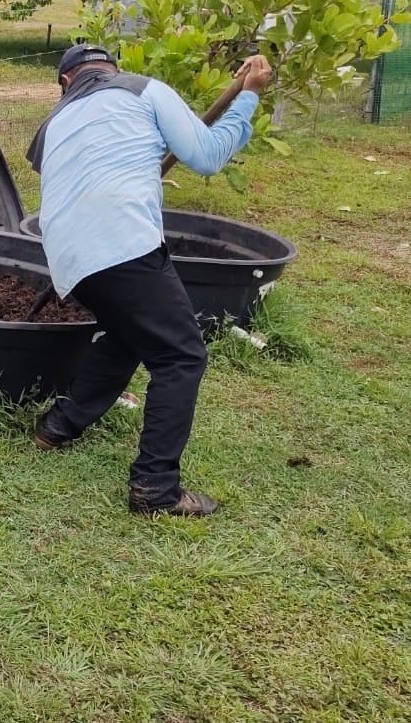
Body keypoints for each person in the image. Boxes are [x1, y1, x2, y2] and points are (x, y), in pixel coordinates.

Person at [25, 44, 271, 517]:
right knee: (181, 356)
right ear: (113, 71)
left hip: (65, 257)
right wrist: (249, 96)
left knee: (127, 333)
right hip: (123, 244)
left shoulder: (51, 125)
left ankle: (57, 426)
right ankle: (155, 490)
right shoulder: (144, 90)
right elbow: (209, 156)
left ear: (64, 83)